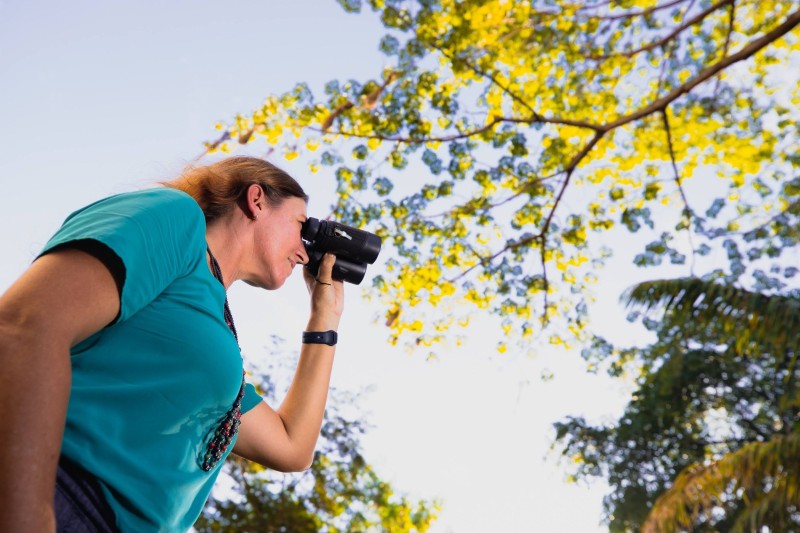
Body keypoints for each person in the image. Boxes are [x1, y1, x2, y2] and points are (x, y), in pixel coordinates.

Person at [0, 156, 345, 532]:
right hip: (62, 496)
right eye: (301, 226)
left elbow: (293, 447)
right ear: (257, 200)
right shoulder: (178, 218)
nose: (304, 252)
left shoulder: (214, 333)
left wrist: (324, 318)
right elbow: (27, 326)